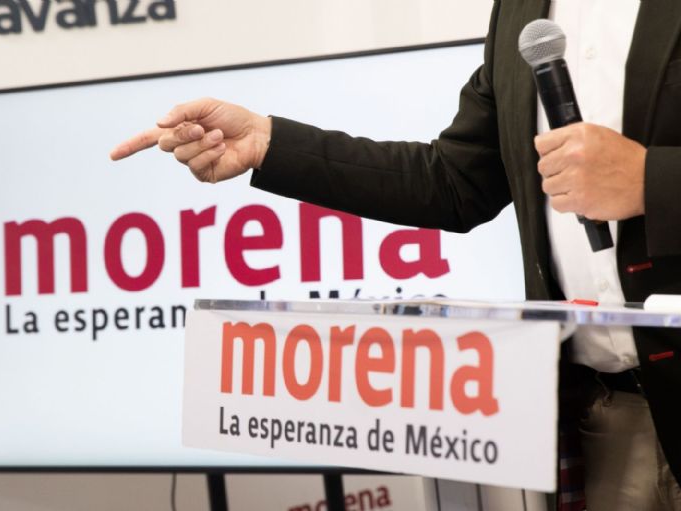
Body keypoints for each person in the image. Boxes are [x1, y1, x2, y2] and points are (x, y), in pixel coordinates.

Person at [110, 0, 681, 509]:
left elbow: (642, 176)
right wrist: (267, 143)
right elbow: (454, 181)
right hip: (608, 418)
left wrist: (648, 180)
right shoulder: (520, 9)